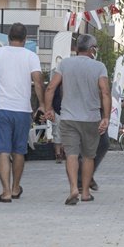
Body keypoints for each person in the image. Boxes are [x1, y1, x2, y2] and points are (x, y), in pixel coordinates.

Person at [43, 34, 110, 205]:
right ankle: (85, 192)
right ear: (91, 49)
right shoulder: (99, 67)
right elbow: (105, 92)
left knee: (71, 155)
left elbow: (51, 87)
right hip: (91, 118)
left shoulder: (64, 64)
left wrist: (48, 109)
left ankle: (73, 188)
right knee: (88, 156)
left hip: (68, 118)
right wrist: (106, 118)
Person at [0, 23, 44, 203]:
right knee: (19, 150)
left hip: (1, 107)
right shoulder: (31, 56)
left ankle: (5, 192)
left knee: (2, 150)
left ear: (8, 37)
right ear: (26, 39)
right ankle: (16, 187)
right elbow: (38, 81)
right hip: (22, 109)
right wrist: (42, 104)